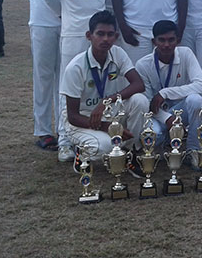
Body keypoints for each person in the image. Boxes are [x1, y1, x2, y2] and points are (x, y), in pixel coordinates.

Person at [44, 0, 114, 161]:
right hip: (73, 33)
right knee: (69, 87)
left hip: (101, 33)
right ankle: (65, 140)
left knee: (100, 82)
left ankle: (100, 131)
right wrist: (65, 17)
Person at [60, 10, 148, 170]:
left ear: (115, 36)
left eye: (110, 34)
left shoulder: (118, 53)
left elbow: (138, 84)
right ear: (89, 35)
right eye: (100, 34)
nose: (105, 39)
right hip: (83, 119)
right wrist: (105, 126)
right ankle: (82, 151)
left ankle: (130, 152)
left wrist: (107, 101)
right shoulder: (75, 67)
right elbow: (72, 116)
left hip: (109, 112)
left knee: (140, 100)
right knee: (105, 147)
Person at [16, 0, 67, 151]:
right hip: (42, 23)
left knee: (66, 79)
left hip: (70, 23)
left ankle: (65, 129)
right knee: (44, 77)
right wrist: (41, 6)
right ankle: (44, 131)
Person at [134, 20, 202, 169]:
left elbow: (201, 85)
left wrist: (165, 93)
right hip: (157, 114)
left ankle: (193, 151)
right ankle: (158, 150)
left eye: (171, 40)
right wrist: (167, 118)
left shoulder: (186, 53)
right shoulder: (143, 65)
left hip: (181, 112)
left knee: (196, 100)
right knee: (154, 135)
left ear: (178, 40)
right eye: (162, 40)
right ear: (154, 41)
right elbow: (147, 102)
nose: (166, 45)